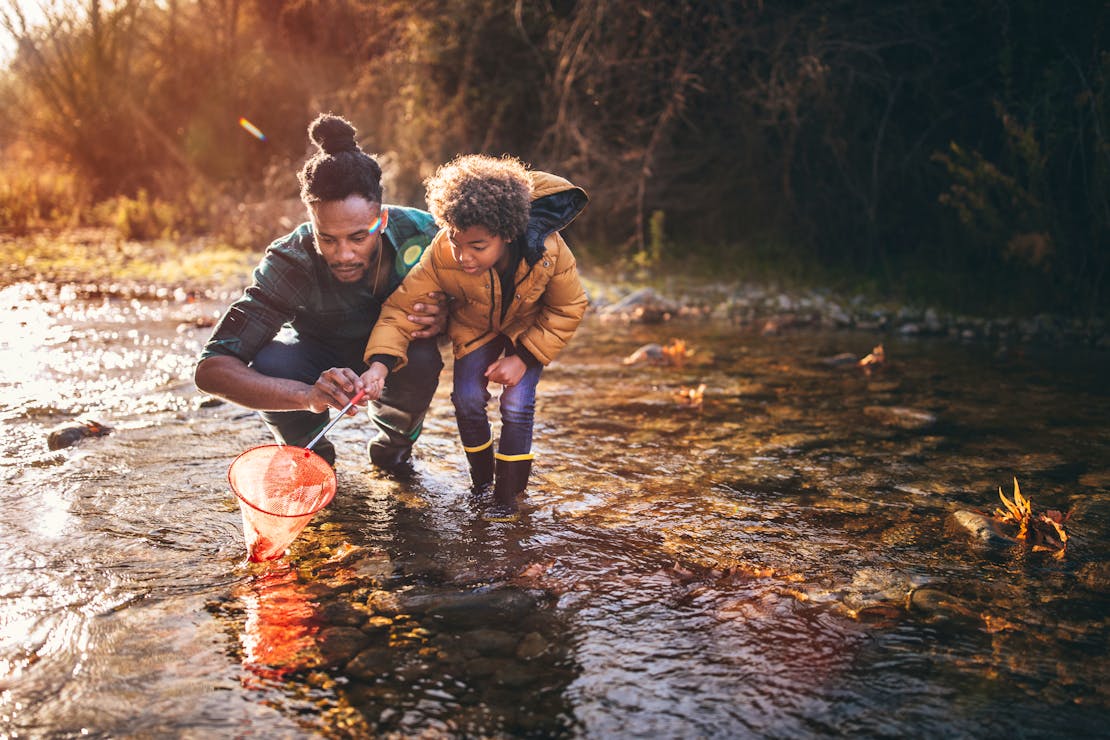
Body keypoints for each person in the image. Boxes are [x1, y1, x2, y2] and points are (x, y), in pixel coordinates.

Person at [194, 113, 446, 473]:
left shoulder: (426, 235)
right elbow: (211, 369)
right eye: (327, 238)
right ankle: (313, 461)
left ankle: (394, 449)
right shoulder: (290, 259)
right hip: (314, 358)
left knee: (423, 357)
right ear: (311, 220)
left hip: (398, 358)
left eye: (359, 237)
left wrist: (447, 317)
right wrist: (306, 397)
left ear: (383, 219)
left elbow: (490, 298)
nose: (343, 255)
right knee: (271, 362)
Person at [359, 154, 589, 518]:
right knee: (466, 399)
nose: (463, 256)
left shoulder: (549, 252)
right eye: (455, 241)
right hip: (474, 327)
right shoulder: (441, 253)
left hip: (527, 330)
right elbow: (401, 309)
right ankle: (482, 485)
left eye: (477, 247)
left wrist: (525, 358)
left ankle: (507, 499)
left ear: (508, 234)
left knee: (516, 404)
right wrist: (380, 364)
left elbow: (569, 306)